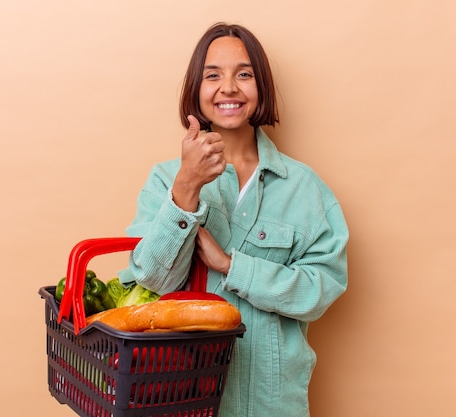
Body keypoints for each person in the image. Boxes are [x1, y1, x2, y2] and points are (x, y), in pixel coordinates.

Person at [119, 22, 348, 417]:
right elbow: (151, 281)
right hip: (180, 400)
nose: (228, 87)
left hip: (272, 403)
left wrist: (231, 266)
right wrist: (187, 188)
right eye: (213, 75)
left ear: (262, 88)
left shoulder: (305, 188)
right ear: (197, 89)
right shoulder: (165, 180)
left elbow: (321, 290)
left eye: (244, 74)